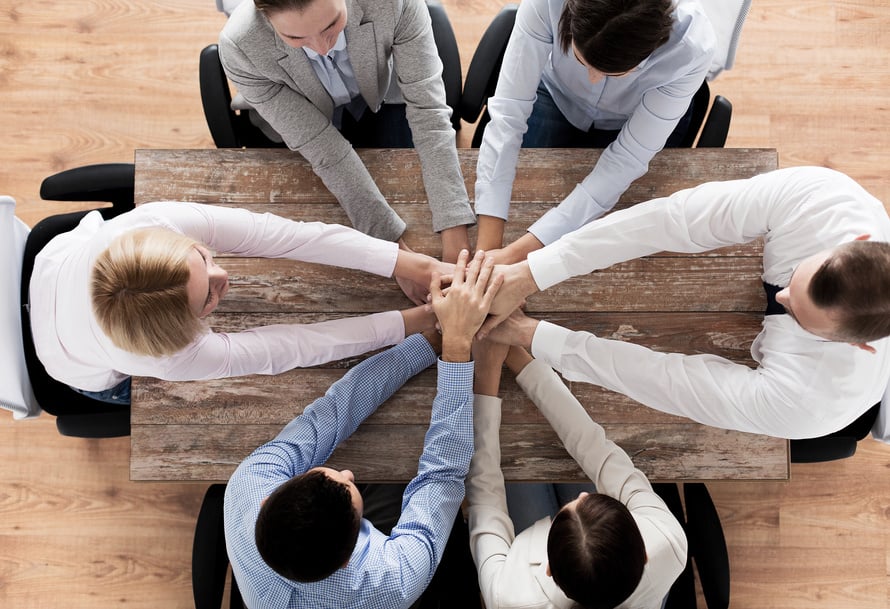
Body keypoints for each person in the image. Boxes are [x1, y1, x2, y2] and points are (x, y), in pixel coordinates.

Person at [479, 166, 890, 441]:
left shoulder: (812, 403)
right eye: (797, 276)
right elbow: (674, 220)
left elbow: (667, 380)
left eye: (799, 316)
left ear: (857, 346)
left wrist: (532, 335)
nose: (781, 296)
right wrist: (531, 272)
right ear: (855, 241)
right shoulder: (826, 200)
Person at [223, 249, 501, 609]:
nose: (349, 472)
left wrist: (429, 342)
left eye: (337, 477)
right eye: (350, 486)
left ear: (265, 501)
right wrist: (457, 346)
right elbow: (442, 475)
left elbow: (332, 413)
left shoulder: (247, 485)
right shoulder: (392, 581)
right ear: (348, 559)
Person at [28, 201, 448, 405]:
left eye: (204, 258)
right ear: (180, 331)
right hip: (68, 362)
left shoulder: (151, 224)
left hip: (52, 264)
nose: (223, 277)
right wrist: (414, 322)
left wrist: (413, 264)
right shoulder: (168, 358)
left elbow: (285, 236)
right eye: (208, 297)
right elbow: (294, 347)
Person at [219, 0, 476, 261]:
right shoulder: (240, 45)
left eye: (331, 25)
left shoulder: (392, 3)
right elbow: (324, 149)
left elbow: (428, 113)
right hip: (301, 122)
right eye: (294, 37)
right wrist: (389, 252)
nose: (322, 48)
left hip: (377, 98)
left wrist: (455, 228)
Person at [473, 0, 715, 254]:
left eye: (615, 73)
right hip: (555, 92)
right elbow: (508, 116)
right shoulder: (547, 3)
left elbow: (627, 159)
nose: (592, 78)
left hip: (633, 116)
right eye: (579, 58)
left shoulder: (691, 47)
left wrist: (515, 256)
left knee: (622, 231)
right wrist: (486, 251)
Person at [468, 344, 687, 608]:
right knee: (574, 463)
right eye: (588, 499)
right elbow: (599, 451)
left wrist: (487, 372)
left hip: (533, 566)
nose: (583, 494)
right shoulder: (666, 539)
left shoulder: (508, 596)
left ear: (548, 569)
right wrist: (520, 358)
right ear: (645, 554)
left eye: (573, 504)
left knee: (519, 465)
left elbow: (485, 501)